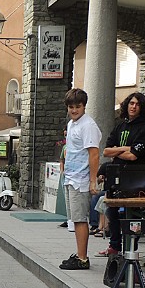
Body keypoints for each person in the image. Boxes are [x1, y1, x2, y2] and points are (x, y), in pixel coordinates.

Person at [99, 92, 145, 256]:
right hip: (117, 177)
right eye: (131, 103)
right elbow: (106, 151)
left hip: (136, 179)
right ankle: (114, 247)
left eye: (137, 104)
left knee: (134, 215)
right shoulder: (120, 126)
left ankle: (130, 249)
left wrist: (117, 151)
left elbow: (133, 156)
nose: (133, 106)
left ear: (142, 107)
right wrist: (125, 148)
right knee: (112, 212)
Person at [59, 88, 101, 271]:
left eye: (78, 106)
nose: (74, 110)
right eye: (71, 107)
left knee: (80, 219)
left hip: (81, 179)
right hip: (71, 177)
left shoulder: (88, 125)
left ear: (84, 106)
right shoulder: (72, 124)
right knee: (75, 219)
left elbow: (94, 154)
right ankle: (79, 254)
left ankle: (83, 259)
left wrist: (93, 181)